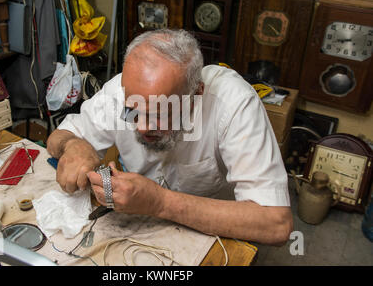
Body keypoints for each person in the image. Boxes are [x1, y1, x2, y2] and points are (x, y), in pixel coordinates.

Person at [47, 29, 293, 245]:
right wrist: (73, 144)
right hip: (137, 228)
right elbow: (58, 137)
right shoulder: (118, 92)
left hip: (214, 234)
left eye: (160, 114)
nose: (142, 127)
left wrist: (160, 203)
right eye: (132, 109)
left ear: (196, 93)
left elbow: (276, 224)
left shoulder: (233, 103)